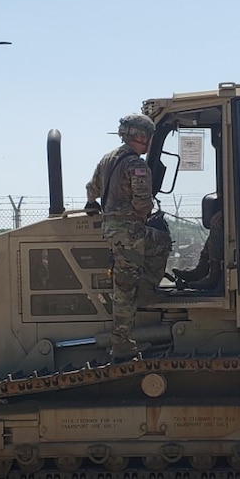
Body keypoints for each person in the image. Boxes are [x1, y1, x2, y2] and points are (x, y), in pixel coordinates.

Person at [85, 113, 171, 361]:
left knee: (125, 279)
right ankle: (122, 341)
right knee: (127, 284)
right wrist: (145, 213)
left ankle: (142, 294)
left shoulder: (108, 159)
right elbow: (142, 202)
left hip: (112, 229)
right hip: (130, 231)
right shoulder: (137, 165)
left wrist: (93, 205)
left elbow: (93, 190)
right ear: (140, 136)